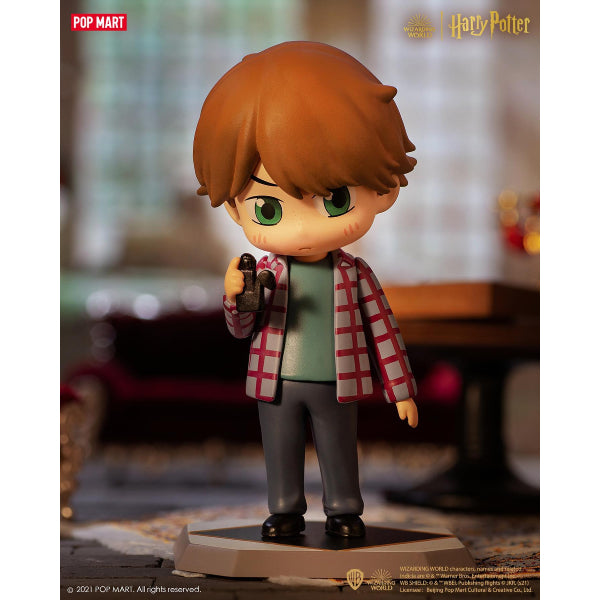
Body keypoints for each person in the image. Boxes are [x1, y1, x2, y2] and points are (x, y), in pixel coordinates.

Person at [193, 41, 418, 538]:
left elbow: (384, 332)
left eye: (335, 200)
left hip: (339, 381)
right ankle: (284, 510)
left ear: (384, 191)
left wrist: (401, 390)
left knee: (339, 447)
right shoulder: (264, 272)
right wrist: (234, 295)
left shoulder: (355, 274)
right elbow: (242, 328)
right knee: (280, 448)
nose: (301, 229)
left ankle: (344, 510)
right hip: (275, 381)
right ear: (235, 208)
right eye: (268, 208)